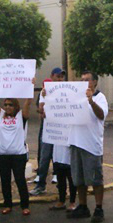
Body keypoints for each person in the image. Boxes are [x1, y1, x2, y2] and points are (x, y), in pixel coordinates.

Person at [66, 71, 108, 223]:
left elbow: (101, 115)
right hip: (76, 142)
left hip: (91, 145)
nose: (84, 82)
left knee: (96, 179)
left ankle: (98, 208)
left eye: (87, 80)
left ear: (95, 82)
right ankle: (83, 206)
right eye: (82, 80)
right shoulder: (76, 97)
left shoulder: (100, 97)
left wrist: (91, 101)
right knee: (78, 178)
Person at [0, 97, 32, 216]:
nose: (7, 107)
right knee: (5, 180)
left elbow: (28, 102)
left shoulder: (21, 116)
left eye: (10, 105)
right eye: (6, 105)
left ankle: (25, 205)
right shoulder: (1, 115)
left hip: (18, 154)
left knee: (20, 180)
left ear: (15, 106)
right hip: (2, 154)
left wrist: (31, 86)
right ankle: (7, 204)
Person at [31, 68, 66, 196]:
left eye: (62, 77)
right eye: (58, 76)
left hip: (62, 131)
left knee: (61, 160)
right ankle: (41, 185)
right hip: (49, 130)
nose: (60, 79)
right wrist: (46, 99)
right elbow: (41, 111)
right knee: (44, 158)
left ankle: (61, 188)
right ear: (52, 76)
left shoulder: (66, 92)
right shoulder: (44, 92)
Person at [49, 144, 77, 212]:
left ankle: (72, 202)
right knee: (60, 178)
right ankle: (61, 200)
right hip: (58, 152)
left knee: (71, 179)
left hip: (69, 152)